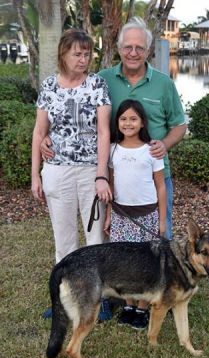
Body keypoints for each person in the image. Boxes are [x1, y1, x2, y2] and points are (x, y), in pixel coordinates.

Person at [40, 17, 187, 241]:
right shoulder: (101, 80)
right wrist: (48, 136)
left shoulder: (164, 83)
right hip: (116, 174)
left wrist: (165, 144)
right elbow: (75, 114)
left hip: (155, 173)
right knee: (116, 242)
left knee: (159, 241)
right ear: (119, 48)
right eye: (128, 47)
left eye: (139, 47)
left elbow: (180, 125)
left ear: (148, 50)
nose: (133, 53)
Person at [31, 28, 112, 318]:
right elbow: (40, 131)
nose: (83, 59)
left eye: (87, 53)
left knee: (94, 240)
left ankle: (98, 301)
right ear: (63, 54)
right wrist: (35, 175)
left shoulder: (97, 85)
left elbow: (104, 132)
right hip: (56, 171)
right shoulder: (49, 86)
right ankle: (65, 300)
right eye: (77, 53)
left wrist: (101, 174)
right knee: (64, 240)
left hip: (90, 171)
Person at [104, 99, 166, 330]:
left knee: (145, 264)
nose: (128, 123)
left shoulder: (152, 150)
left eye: (133, 119)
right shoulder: (112, 149)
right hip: (121, 215)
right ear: (117, 122)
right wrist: (109, 214)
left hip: (146, 215)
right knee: (123, 263)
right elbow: (110, 183)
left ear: (142, 123)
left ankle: (142, 308)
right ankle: (128, 305)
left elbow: (160, 186)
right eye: (123, 119)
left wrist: (161, 220)